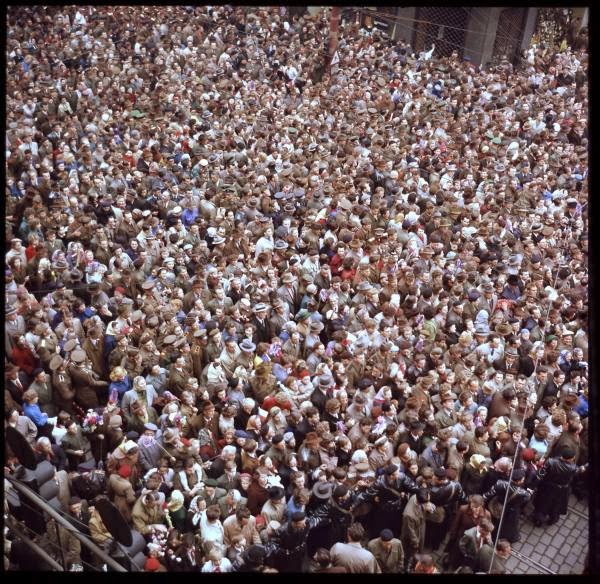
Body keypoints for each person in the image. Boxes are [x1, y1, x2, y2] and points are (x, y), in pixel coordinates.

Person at [533, 447, 583, 526]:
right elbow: (579, 471)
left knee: (543, 502)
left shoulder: (550, 462)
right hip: (562, 489)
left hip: (548, 486)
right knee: (556, 505)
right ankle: (552, 519)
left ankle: (538, 520)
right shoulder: (573, 468)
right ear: (570, 459)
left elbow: (541, 473)